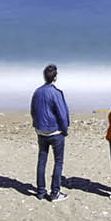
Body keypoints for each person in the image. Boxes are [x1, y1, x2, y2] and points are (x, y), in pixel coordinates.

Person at [30, 63, 69, 201]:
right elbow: (62, 113)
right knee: (58, 161)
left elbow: (33, 111)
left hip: (41, 131)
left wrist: (36, 126)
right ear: (55, 77)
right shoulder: (56, 93)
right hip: (55, 131)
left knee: (42, 160)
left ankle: (41, 191)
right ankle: (55, 192)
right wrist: (65, 129)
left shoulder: (37, 92)